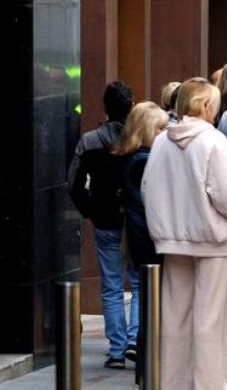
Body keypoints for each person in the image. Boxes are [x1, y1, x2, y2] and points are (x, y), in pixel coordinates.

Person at [142, 77, 227, 390]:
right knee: (211, 323)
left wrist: (161, 229)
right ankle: (208, 384)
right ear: (206, 106)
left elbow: (147, 188)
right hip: (211, 242)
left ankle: (173, 383)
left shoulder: (162, 141)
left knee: (175, 320)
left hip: (172, 242)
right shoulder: (214, 142)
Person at [68, 79, 139, 369]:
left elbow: (73, 184)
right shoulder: (141, 139)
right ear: (131, 107)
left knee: (111, 285)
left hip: (106, 220)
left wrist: (91, 210)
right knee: (139, 281)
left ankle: (117, 349)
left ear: (105, 108)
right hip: (135, 221)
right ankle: (134, 339)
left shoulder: (90, 140)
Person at [114, 101, 169, 384]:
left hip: (142, 243)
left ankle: (147, 371)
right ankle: (148, 371)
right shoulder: (145, 160)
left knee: (150, 305)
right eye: (161, 128)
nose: (166, 132)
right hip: (149, 244)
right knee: (153, 309)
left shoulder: (136, 157)